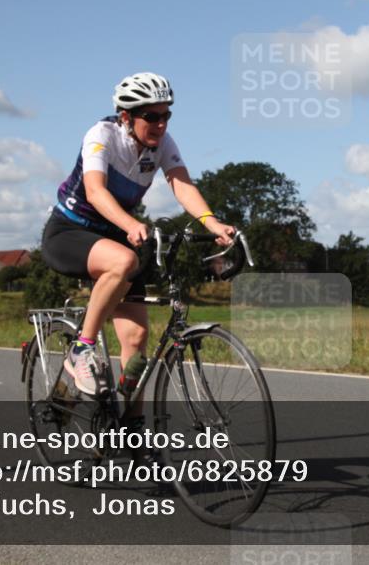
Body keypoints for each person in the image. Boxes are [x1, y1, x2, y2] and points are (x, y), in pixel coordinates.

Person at [41, 72, 234, 407]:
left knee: (136, 338)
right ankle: (81, 349)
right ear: (127, 117)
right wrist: (131, 224)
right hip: (70, 231)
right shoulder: (101, 135)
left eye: (166, 115)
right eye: (152, 116)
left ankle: (130, 425)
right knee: (124, 259)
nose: (161, 124)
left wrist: (212, 222)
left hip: (115, 236)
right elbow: (95, 191)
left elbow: (181, 184)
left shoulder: (162, 144)